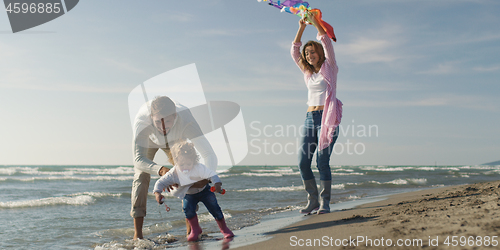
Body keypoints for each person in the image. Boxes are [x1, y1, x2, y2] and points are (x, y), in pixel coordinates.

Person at [131, 96, 217, 240]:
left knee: (189, 173)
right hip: (149, 143)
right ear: (151, 117)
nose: (162, 126)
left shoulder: (186, 118)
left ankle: (191, 230)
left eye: (167, 121)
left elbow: (209, 154)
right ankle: (138, 236)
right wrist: (162, 171)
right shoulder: (141, 121)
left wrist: (205, 178)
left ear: (175, 116)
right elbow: (138, 160)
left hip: (175, 140)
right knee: (141, 176)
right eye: (158, 121)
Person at [291, 12, 343, 214]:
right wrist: (301, 27)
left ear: (319, 53)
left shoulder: (330, 67)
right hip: (309, 119)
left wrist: (315, 23)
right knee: (303, 162)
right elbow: (295, 52)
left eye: (312, 52)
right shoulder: (308, 73)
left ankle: (325, 202)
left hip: (327, 118)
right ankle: (312, 200)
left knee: (322, 162)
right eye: (307, 53)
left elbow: (326, 40)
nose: (309, 55)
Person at [153, 140, 234, 241]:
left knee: (214, 208)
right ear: (175, 161)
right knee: (188, 209)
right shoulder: (174, 172)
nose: (185, 167)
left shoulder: (199, 167)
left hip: (205, 192)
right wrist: (157, 193)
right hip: (189, 195)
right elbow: (160, 182)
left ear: (194, 160)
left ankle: (224, 229)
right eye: (182, 164)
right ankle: (195, 230)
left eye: (188, 164)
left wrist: (217, 184)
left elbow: (211, 174)